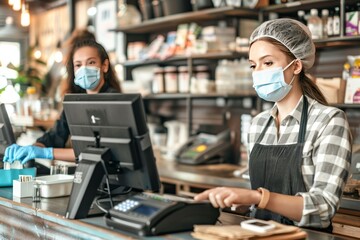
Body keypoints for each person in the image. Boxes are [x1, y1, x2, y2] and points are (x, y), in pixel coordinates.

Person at [194, 18, 352, 232]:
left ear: (296, 65)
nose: (258, 72)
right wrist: (242, 202)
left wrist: (258, 197)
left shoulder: (329, 121)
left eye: (267, 63)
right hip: (259, 234)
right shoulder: (258, 125)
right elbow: (259, 201)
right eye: (253, 65)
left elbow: (323, 209)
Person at [3, 39, 121, 164]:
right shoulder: (74, 102)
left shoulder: (114, 101)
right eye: (78, 65)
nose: (84, 69)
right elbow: (54, 136)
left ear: (105, 65)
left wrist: (47, 153)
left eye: (91, 62)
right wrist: (32, 148)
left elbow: (98, 152)